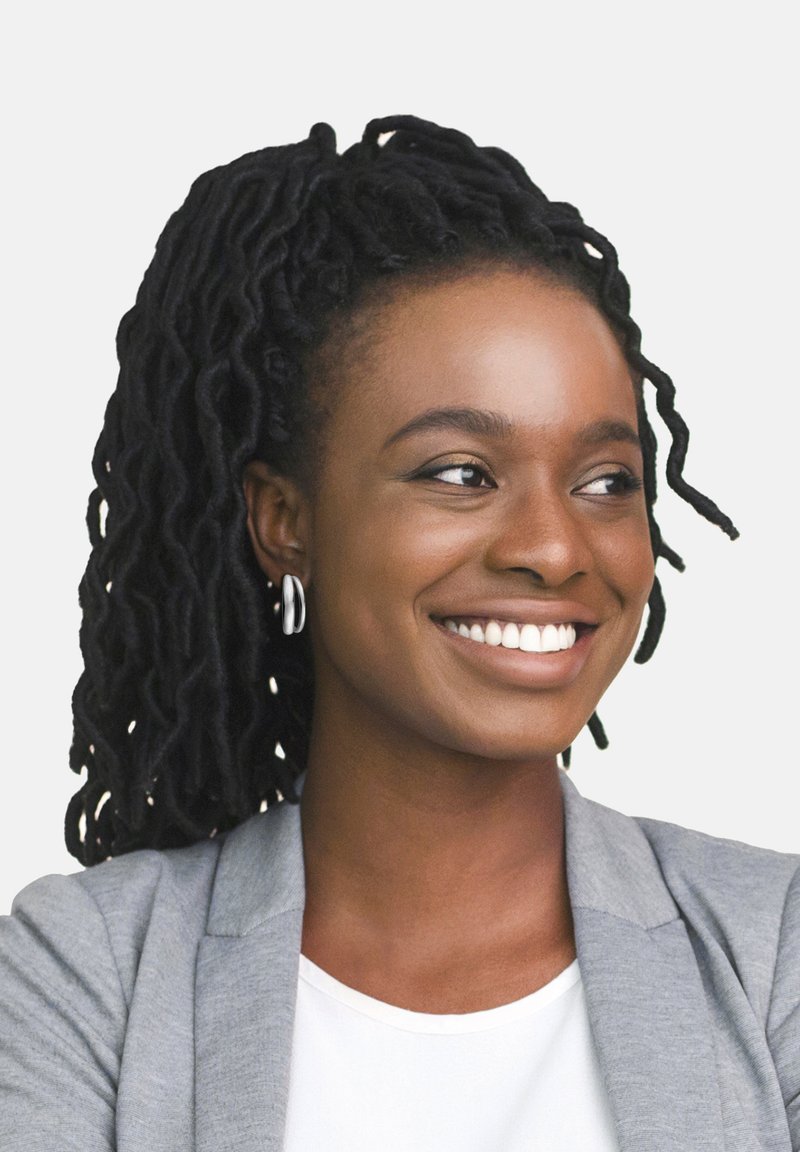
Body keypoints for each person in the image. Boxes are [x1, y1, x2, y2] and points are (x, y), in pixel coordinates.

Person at [0, 114, 797, 1151]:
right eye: (460, 474)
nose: (555, 550)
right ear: (284, 521)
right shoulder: (90, 974)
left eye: (605, 481)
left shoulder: (771, 947)